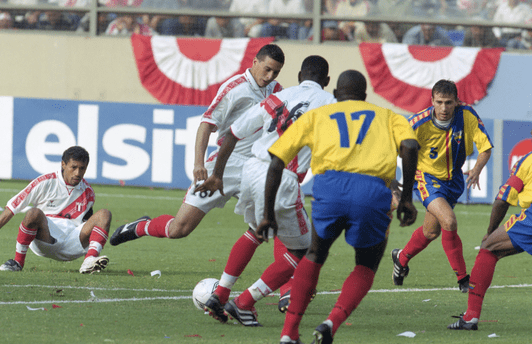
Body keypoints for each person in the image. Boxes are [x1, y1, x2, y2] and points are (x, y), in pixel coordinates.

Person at [264, 70, 419, 344]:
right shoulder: (388, 116)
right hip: (372, 190)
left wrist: (267, 214)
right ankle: (330, 323)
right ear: (365, 96)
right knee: (366, 263)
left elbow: (276, 162)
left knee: (315, 253)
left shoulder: (317, 116)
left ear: (336, 95)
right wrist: (406, 197)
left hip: (330, 186)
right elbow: (409, 146)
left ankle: (289, 332)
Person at [196, 55, 336, 326]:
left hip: (253, 169)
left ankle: (220, 294)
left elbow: (234, 133)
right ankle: (245, 302)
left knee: (254, 231)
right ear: (326, 81)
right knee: (303, 250)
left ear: (299, 76)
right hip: (282, 178)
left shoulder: (279, 97)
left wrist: (217, 174)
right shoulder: (329, 103)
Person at [109, 44, 285, 247]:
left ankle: (235, 279)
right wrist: (198, 164)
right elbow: (206, 125)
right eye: (267, 69)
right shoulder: (235, 89)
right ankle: (141, 227)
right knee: (179, 229)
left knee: (273, 221)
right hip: (225, 165)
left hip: (256, 168)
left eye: (276, 72)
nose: (271, 76)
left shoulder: (278, 91)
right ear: (255, 62)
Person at [392, 79, 493, 293]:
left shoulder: (467, 115)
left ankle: (401, 259)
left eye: (448, 102)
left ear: (457, 101)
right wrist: (392, 181)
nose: (444, 108)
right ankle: (463, 279)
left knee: (431, 232)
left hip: (454, 180)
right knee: (449, 220)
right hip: (427, 178)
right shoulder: (417, 123)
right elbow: (392, 149)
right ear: (432, 101)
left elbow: (485, 148)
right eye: (439, 102)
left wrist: (477, 169)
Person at [0, 146, 112, 274]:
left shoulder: (88, 192)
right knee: (33, 213)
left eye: (82, 168)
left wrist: (96, 242)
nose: (78, 173)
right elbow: (12, 207)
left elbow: (87, 224)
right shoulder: (45, 182)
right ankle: (17, 262)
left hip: (73, 242)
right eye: (73, 167)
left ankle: (89, 261)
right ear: (63, 164)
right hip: (46, 238)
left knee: (104, 214)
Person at [447, 141, 532, 331]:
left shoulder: (527, 161)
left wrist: (490, 232)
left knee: (489, 248)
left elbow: (502, 200)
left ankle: (470, 317)